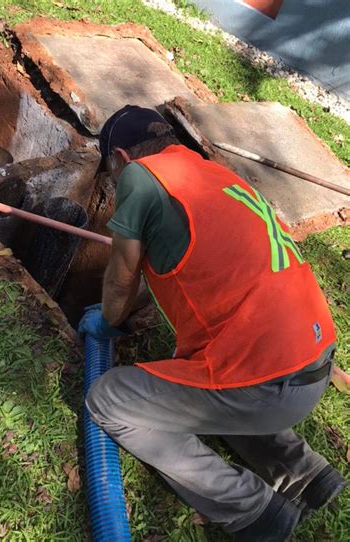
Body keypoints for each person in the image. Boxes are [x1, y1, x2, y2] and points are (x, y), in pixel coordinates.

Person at [78, 105, 347, 541]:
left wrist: (109, 319)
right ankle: (303, 472)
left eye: (110, 172)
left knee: (110, 399)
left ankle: (254, 510)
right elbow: (171, 267)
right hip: (312, 360)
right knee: (209, 377)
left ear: (123, 159)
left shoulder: (142, 177)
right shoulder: (210, 175)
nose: (114, 184)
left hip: (268, 386)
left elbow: (123, 273)